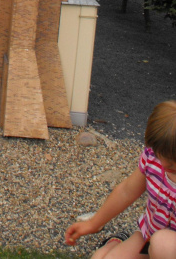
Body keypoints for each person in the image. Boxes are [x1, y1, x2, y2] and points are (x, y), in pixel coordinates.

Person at [65, 101, 176, 257]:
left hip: (166, 246)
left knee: (162, 244)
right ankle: (116, 242)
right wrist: (92, 224)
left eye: (172, 161)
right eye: (159, 155)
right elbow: (126, 192)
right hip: (148, 237)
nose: (164, 164)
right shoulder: (152, 160)